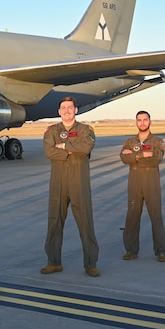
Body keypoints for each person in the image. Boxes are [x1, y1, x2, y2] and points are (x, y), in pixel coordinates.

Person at [41, 96, 101, 277]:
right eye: (63, 108)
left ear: (76, 110)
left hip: (79, 180)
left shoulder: (85, 129)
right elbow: (49, 151)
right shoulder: (52, 130)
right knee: (54, 221)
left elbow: (86, 147)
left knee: (85, 221)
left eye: (70, 107)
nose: (66, 111)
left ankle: (90, 263)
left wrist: (65, 146)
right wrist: (72, 149)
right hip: (58, 181)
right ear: (59, 111)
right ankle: (53, 262)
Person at [119, 110, 165, 262]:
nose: (142, 122)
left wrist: (134, 156)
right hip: (134, 179)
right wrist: (142, 154)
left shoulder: (157, 141)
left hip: (151, 178)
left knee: (155, 214)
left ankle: (161, 251)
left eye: (145, 120)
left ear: (150, 122)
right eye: (139, 120)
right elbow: (124, 158)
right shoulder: (129, 141)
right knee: (132, 215)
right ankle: (131, 250)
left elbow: (156, 159)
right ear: (136, 122)